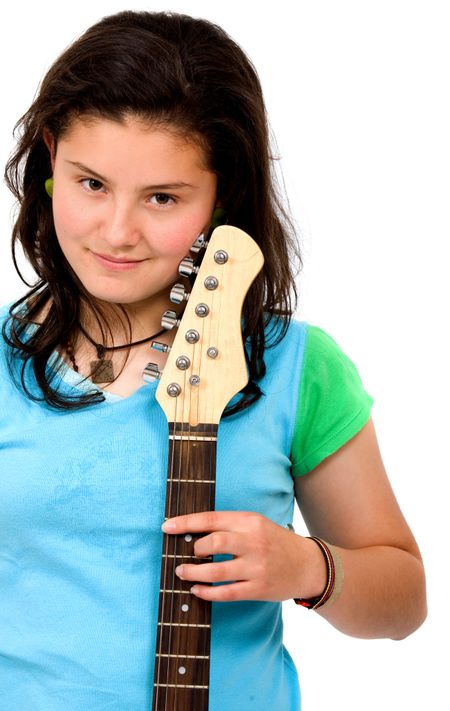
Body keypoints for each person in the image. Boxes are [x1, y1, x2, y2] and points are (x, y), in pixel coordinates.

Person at [0, 9, 426, 711]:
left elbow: (404, 602)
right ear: (50, 159)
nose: (117, 231)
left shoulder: (295, 368)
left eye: (162, 197)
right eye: (91, 183)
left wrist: (307, 566)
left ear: (222, 194)